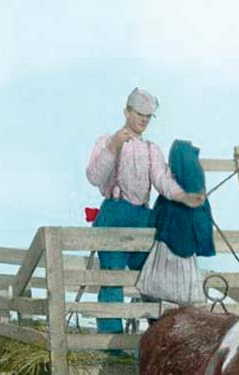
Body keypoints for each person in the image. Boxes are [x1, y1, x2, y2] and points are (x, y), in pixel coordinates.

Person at [85, 87, 205, 334]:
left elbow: (162, 180)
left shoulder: (151, 149)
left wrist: (182, 196)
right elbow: (94, 176)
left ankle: (157, 334)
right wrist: (113, 147)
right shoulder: (107, 141)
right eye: (139, 113)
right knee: (113, 277)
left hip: (142, 217)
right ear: (127, 112)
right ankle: (112, 341)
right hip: (114, 214)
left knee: (153, 275)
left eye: (148, 116)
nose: (143, 119)